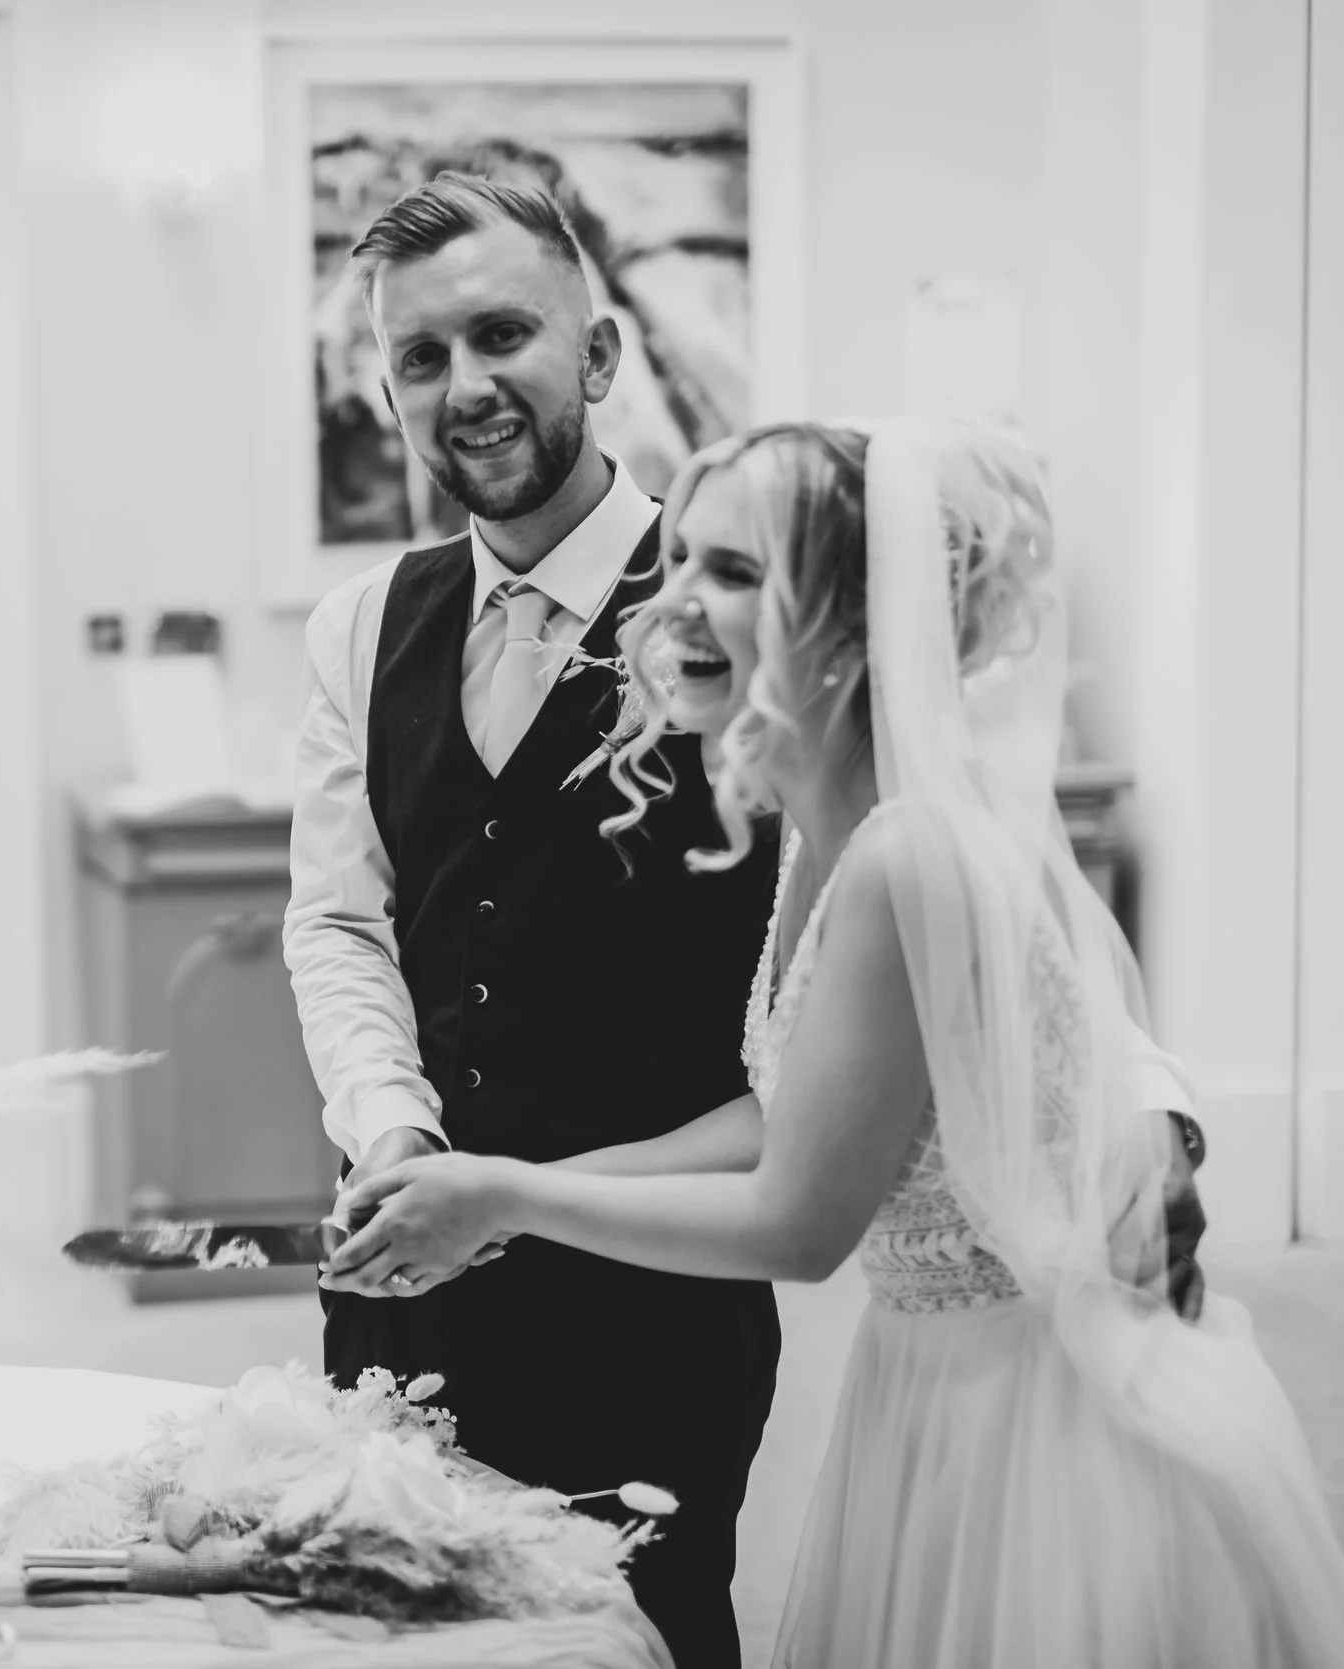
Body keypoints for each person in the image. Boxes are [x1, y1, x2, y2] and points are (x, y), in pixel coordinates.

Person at [322, 419, 1344, 1667]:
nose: (674, 605)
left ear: (846, 615)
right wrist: (502, 1195)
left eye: (734, 572)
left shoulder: (905, 853)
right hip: (924, 1370)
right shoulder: (811, 833)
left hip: (1032, 1403)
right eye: (681, 566)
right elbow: (786, 1113)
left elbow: (798, 1224)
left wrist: (506, 1191)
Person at [281, 170, 782, 1669]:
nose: (465, 387)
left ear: (603, 358)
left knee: (645, 1634)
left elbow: (841, 972)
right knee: (391, 1625)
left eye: (504, 335)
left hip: (656, 1297)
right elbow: (340, 926)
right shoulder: (360, 627)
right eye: (420, 358)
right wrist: (393, 1133)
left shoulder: (737, 618)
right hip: (404, 1292)